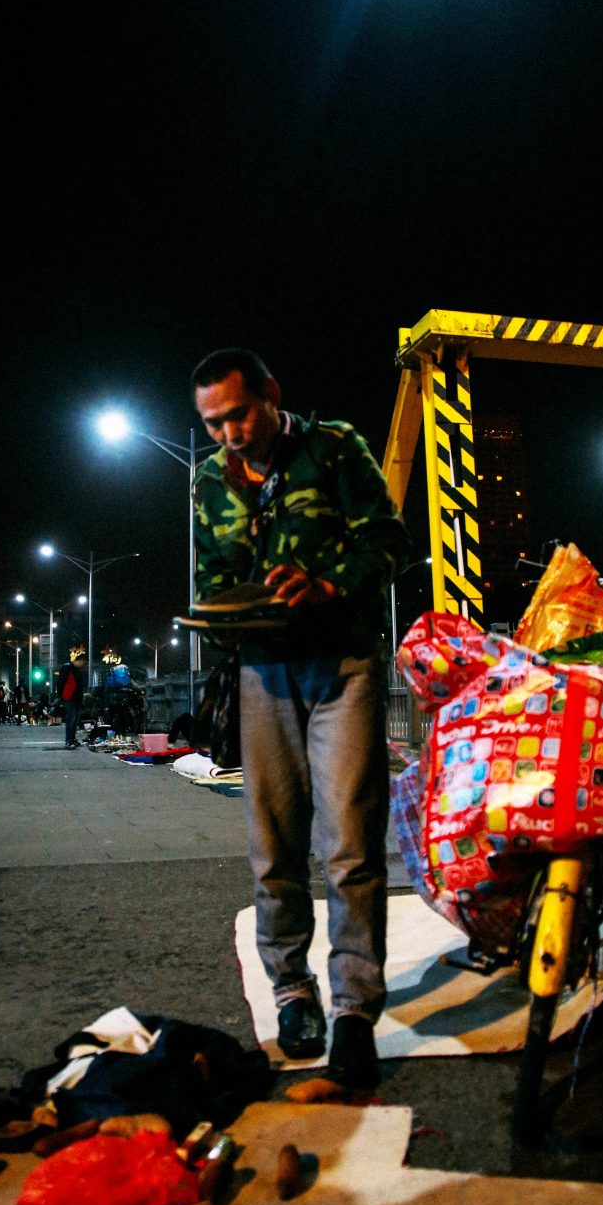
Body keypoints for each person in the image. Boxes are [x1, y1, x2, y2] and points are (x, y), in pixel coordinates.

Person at [191, 347, 408, 1089]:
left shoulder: (335, 446)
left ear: (271, 395)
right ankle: (292, 992)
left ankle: (354, 1012)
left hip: (341, 665)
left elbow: (386, 538)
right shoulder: (207, 483)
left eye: (238, 415)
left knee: (349, 844)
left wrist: (326, 584)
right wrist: (221, 613)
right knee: (273, 844)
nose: (228, 434)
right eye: (213, 423)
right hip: (261, 671)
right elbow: (210, 577)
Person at [55, 652, 84, 748]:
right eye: (83, 663)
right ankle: (69, 740)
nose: (83, 665)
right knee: (71, 719)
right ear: (79, 661)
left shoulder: (76, 670)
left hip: (76, 698)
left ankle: (72, 738)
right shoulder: (67, 668)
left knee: (75, 720)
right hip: (69, 698)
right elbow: (61, 682)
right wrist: (60, 696)